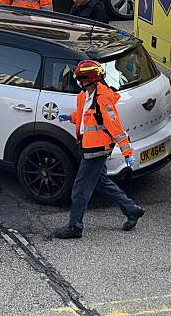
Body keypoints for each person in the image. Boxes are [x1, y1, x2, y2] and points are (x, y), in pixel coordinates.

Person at [53, 60, 144, 239]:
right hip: (89, 146)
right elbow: (88, 117)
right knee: (102, 182)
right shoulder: (85, 95)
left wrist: (127, 153)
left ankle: (75, 227)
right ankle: (132, 209)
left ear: (89, 79)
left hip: (96, 150)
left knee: (80, 189)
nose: (78, 81)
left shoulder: (102, 100)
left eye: (80, 78)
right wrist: (71, 117)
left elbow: (116, 127)